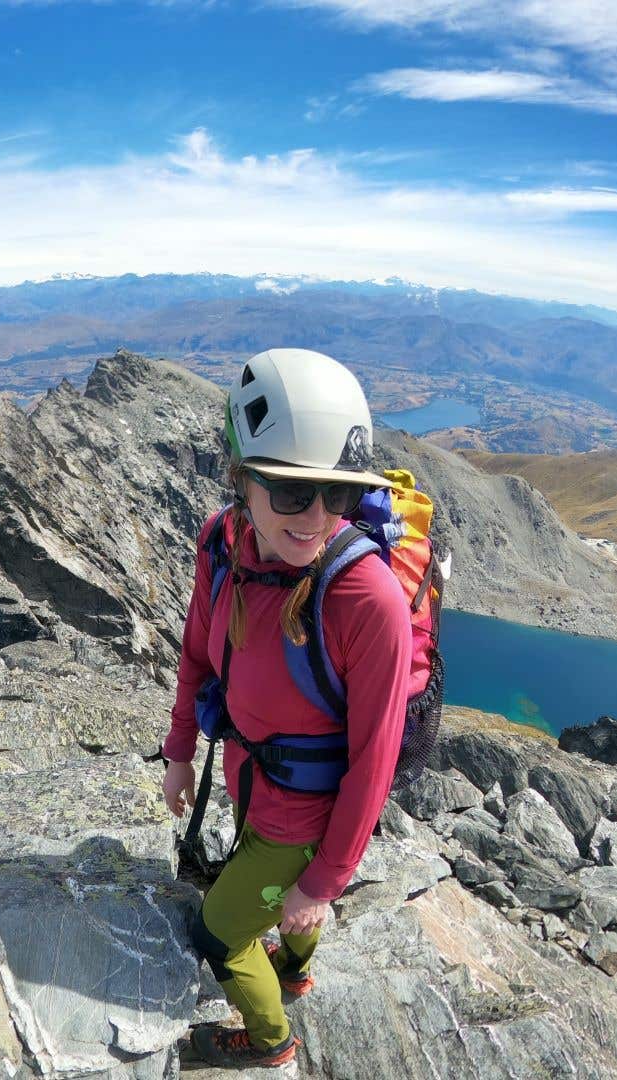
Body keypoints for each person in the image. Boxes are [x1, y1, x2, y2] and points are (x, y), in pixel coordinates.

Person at [161, 348, 413, 1069]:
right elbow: (199, 654)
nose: (316, 516)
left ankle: (270, 1043)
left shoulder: (368, 599)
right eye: (292, 493)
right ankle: (295, 967)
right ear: (241, 480)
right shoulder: (222, 541)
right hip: (251, 782)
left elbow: (374, 761)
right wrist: (181, 752)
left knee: (217, 934)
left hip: (301, 818)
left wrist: (322, 881)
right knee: (272, 899)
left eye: (336, 495)